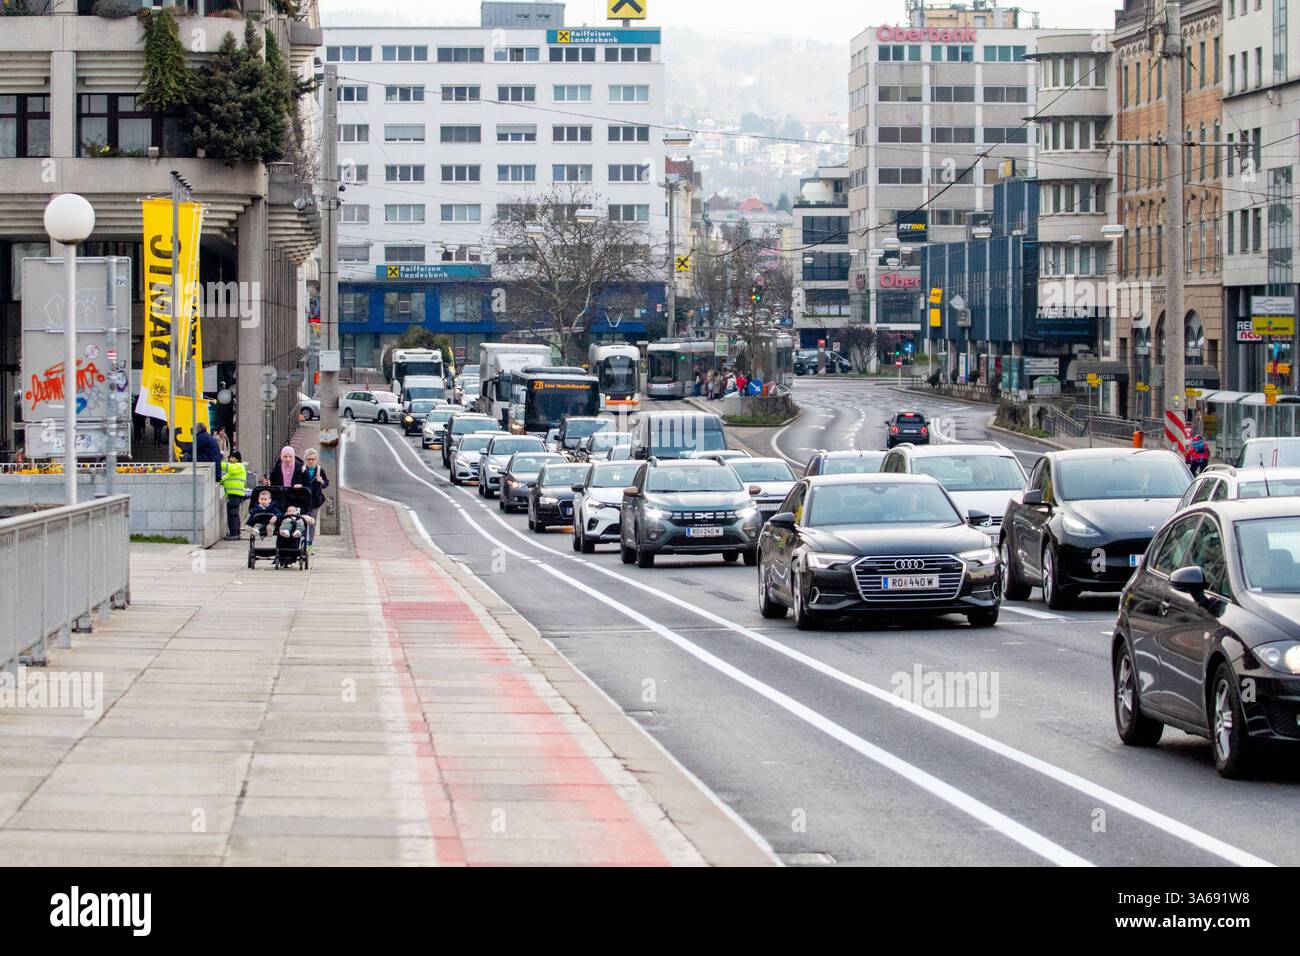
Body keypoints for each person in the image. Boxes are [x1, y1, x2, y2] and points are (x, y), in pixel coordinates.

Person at [302, 448, 329, 546]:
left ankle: (310, 544)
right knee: (303, 520)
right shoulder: (302, 469)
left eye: (313, 459)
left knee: (312, 522)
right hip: (304, 500)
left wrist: (321, 481)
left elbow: (326, 484)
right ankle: (303, 542)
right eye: (309, 459)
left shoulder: (320, 470)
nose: (311, 461)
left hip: (315, 500)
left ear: (316, 459)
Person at [221, 450, 249, 540]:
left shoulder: (239, 466)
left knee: (233, 514)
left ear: (237, 459)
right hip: (232, 494)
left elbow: (228, 467)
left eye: (232, 457)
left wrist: (217, 462)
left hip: (235, 494)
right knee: (234, 514)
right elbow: (224, 479)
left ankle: (233, 533)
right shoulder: (233, 470)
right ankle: (236, 532)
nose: (230, 459)